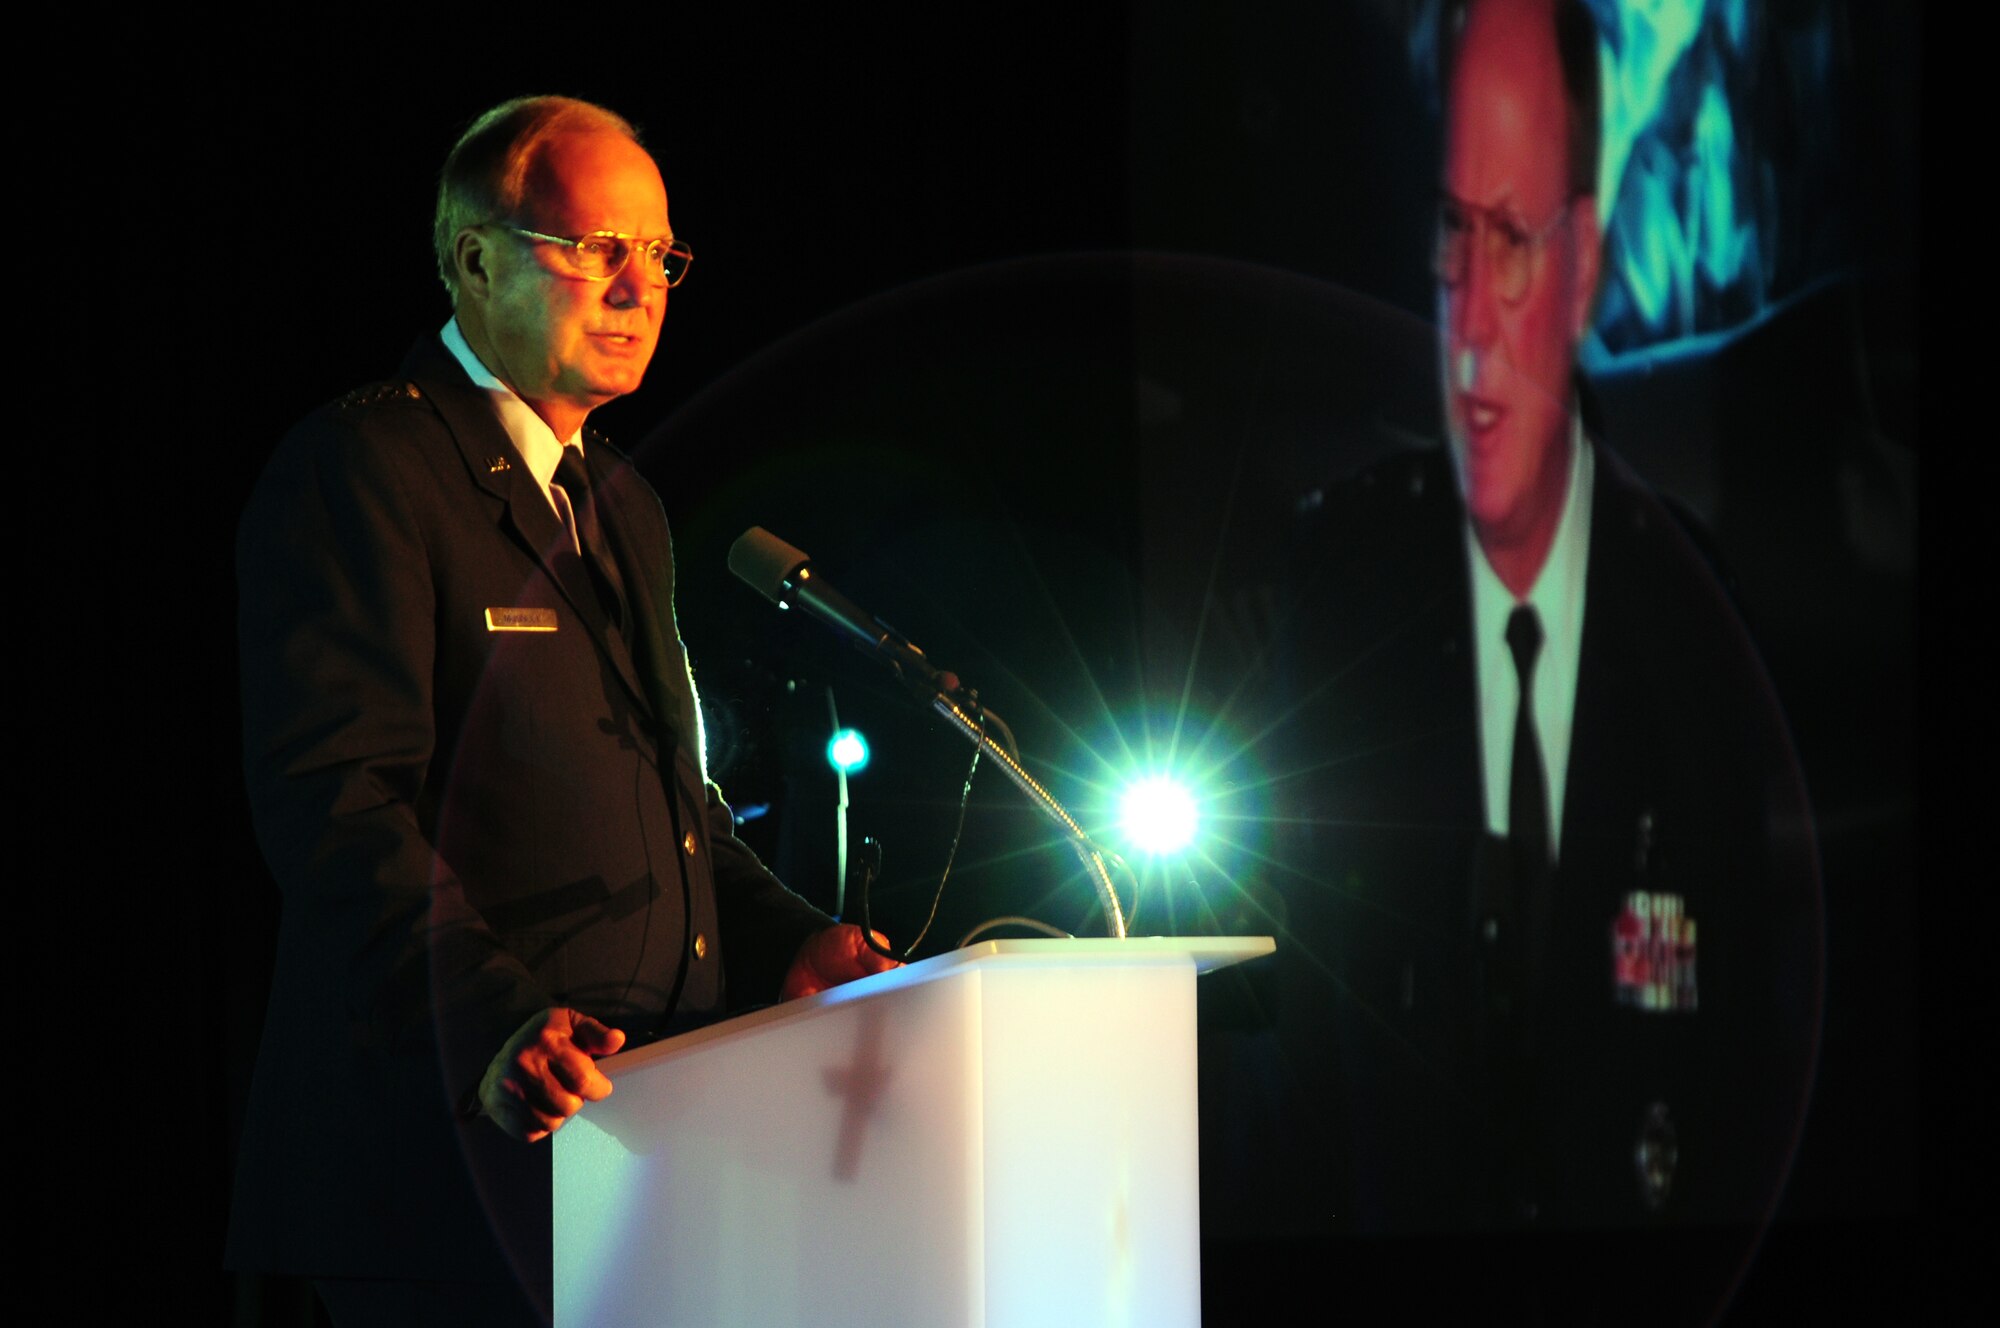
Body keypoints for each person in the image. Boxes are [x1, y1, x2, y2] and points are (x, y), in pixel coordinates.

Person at [225, 96, 895, 1325]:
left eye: (661, 256)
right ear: (473, 258)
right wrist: (491, 1016)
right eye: (599, 248)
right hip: (437, 1179)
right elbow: (336, 796)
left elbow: (679, 810)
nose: (641, 286)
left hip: (631, 1160)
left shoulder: (621, 504)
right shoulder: (365, 466)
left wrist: (789, 938)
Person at [1257, 0, 1817, 1252]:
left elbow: (1736, 1049)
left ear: (1588, 263)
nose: (1470, 316)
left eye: (1511, 240)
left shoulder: (1682, 605)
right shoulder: (1340, 586)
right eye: (1453, 235)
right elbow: (1305, 1057)